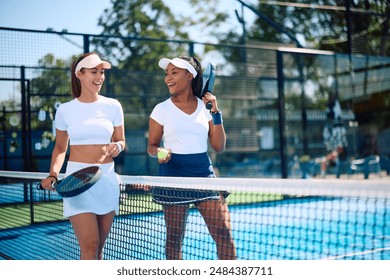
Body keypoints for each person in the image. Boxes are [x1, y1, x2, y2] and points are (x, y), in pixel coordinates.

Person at [147, 56, 236, 260]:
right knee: (174, 240)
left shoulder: (205, 109)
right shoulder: (161, 109)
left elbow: (219, 146)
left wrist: (215, 112)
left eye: (174, 72)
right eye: (166, 73)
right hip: (173, 178)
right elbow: (151, 147)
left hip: (204, 176)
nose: (168, 78)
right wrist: (160, 152)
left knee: (224, 235)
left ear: (190, 75)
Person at [40, 52, 125, 260]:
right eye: (94, 71)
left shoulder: (113, 105)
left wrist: (118, 146)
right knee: (90, 245)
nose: (100, 77)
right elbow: (60, 148)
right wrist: (53, 174)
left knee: (99, 249)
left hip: (107, 180)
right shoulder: (65, 110)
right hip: (76, 182)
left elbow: (121, 140)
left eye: (102, 72)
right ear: (80, 74)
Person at [320, 98, 348, 177]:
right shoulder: (336, 152)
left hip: (334, 131)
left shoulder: (334, 152)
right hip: (336, 129)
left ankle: (323, 174)